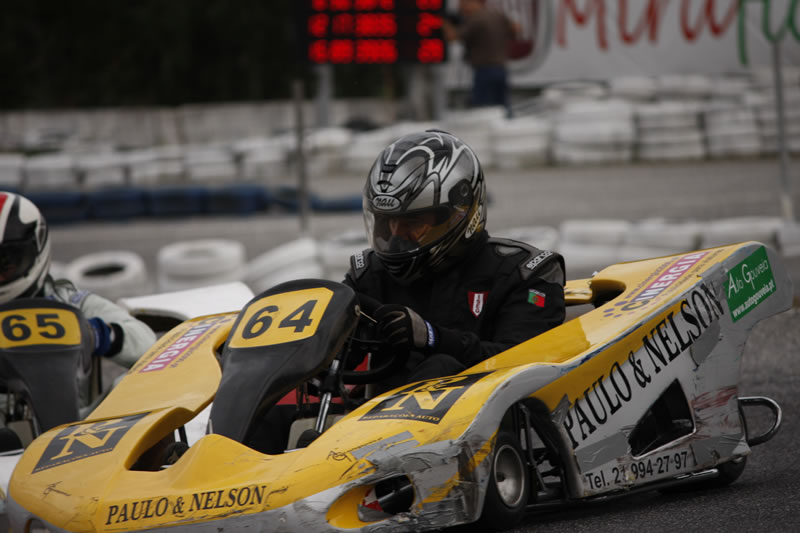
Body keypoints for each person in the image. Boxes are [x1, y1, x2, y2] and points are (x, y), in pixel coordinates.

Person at [344, 130, 565, 392]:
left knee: (441, 367)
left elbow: (522, 365)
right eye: (388, 223)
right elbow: (338, 359)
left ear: (459, 214)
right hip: (369, 426)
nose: (396, 238)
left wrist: (432, 337)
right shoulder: (370, 275)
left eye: (412, 223)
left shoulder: (525, 274)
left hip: (486, 420)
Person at [0, 191, 156, 403]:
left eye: (5, 263)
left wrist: (94, 334)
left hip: (76, 428)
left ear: (35, 249)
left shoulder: (67, 303)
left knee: (138, 387)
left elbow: (148, 344)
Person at [442, 0, 518, 113]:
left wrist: (443, 22)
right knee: (503, 109)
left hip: (484, 71)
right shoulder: (497, 15)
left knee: (482, 111)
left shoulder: (476, 18)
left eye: (463, 3)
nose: (461, 7)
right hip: (501, 69)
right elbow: (516, 28)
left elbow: (452, 36)